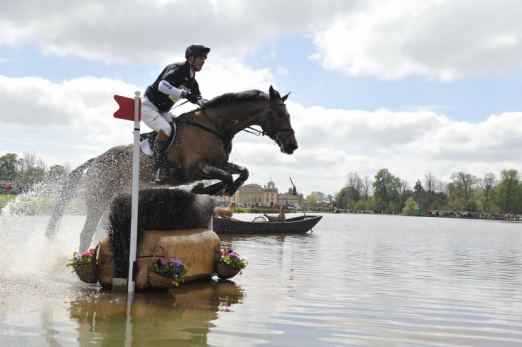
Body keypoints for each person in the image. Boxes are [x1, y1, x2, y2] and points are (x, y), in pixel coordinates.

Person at [142, 44, 210, 183]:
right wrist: (185, 94)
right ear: (190, 58)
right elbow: (162, 86)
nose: (203, 61)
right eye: (201, 58)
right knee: (166, 128)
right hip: (148, 107)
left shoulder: (192, 81)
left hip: (163, 112)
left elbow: (201, 101)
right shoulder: (176, 69)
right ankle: (155, 171)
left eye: (204, 59)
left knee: (182, 126)